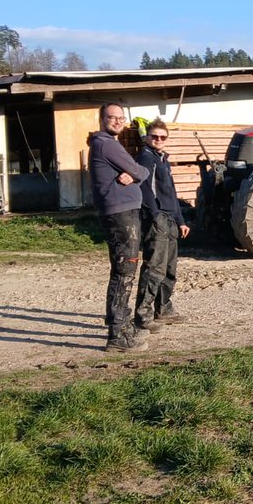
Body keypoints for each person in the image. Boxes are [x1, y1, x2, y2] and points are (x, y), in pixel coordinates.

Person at [89, 102, 151, 353]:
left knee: (125, 270)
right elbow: (141, 169)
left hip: (123, 213)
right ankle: (117, 334)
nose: (117, 121)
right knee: (124, 271)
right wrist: (135, 173)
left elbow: (136, 171)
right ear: (102, 119)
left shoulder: (107, 144)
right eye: (111, 117)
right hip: (120, 215)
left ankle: (123, 326)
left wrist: (134, 174)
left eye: (120, 117)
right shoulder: (107, 144)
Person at [135, 118, 190, 328]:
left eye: (162, 137)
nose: (158, 140)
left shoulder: (163, 160)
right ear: (147, 137)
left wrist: (181, 220)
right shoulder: (146, 159)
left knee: (169, 268)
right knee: (154, 268)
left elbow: (172, 193)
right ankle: (143, 315)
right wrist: (155, 213)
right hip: (157, 220)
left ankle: (163, 308)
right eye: (154, 136)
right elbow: (144, 188)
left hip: (170, 219)